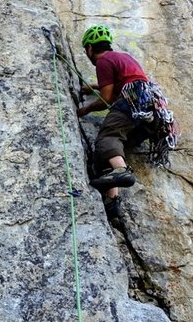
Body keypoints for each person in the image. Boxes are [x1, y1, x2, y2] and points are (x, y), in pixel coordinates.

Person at [76, 25, 178, 200]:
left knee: (108, 138)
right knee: (108, 151)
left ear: (90, 48)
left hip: (133, 103)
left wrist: (85, 109)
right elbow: (122, 85)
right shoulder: (124, 58)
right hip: (151, 112)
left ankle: (121, 171)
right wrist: (94, 87)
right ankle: (112, 200)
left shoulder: (103, 61)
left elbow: (107, 99)